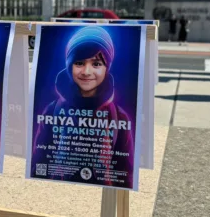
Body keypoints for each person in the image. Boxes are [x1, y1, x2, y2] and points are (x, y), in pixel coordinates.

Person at [31, 26, 134, 187]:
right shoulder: (53, 111)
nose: (87, 71)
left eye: (96, 64)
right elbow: (37, 165)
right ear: (69, 66)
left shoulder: (119, 118)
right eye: (79, 63)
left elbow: (125, 177)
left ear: (107, 68)